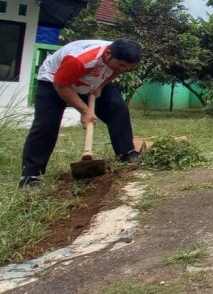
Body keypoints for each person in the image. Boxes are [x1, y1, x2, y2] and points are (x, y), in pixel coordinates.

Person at [19, 39, 143, 189]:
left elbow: (117, 70)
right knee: (46, 124)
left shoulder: (119, 56)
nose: (124, 69)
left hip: (90, 80)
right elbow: (61, 85)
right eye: (122, 64)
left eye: (128, 67)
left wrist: (101, 85)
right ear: (108, 53)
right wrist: (84, 111)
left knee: (118, 109)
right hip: (55, 81)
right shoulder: (79, 59)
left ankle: (126, 153)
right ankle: (30, 175)